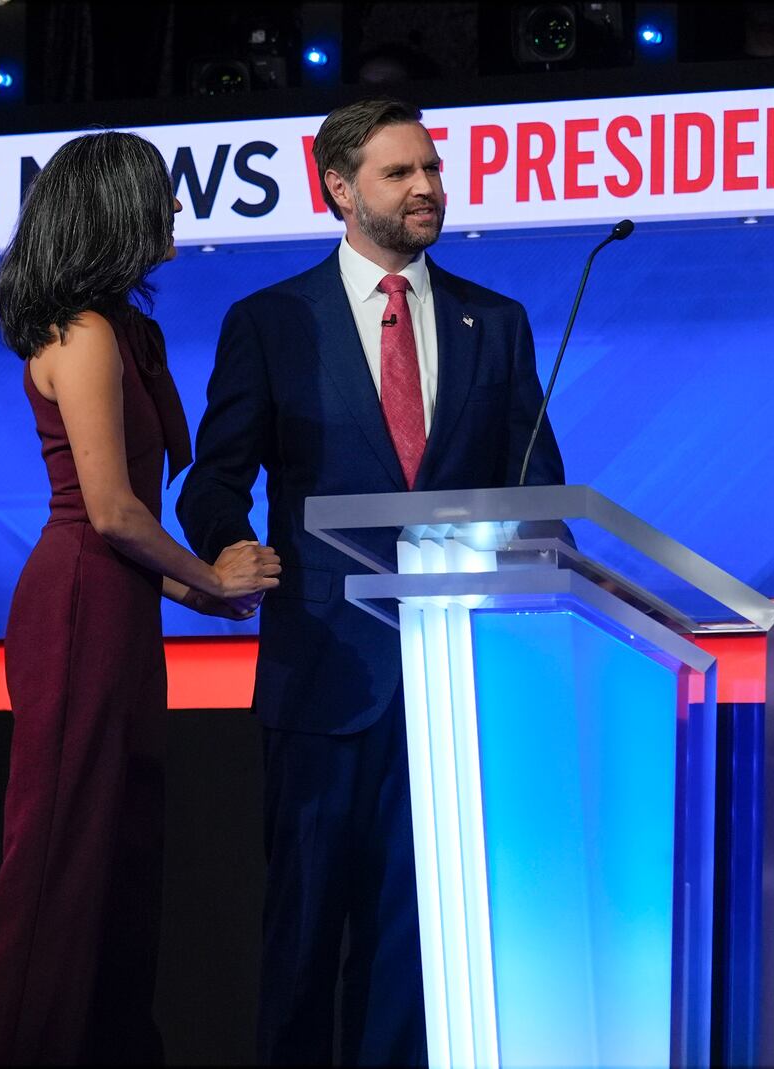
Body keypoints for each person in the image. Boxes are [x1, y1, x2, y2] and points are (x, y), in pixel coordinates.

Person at [176, 98, 565, 1065]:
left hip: (450, 687)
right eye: (401, 173)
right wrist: (229, 547)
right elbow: (213, 480)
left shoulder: (496, 322)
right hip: (322, 682)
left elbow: (540, 488)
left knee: (412, 953)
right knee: (303, 940)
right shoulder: (272, 322)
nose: (428, 186)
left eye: (432, 168)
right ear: (340, 190)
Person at [0, 131, 281, 1066]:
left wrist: (196, 587)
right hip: (79, 603)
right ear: (114, 209)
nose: (177, 210)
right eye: (161, 196)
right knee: (62, 856)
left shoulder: (121, 327)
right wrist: (208, 577)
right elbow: (110, 510)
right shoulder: (86, 336)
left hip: (121, 601)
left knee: (121, 853)